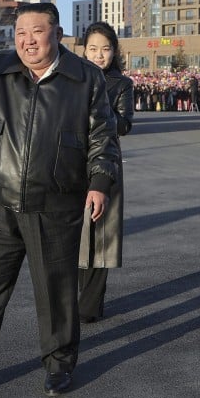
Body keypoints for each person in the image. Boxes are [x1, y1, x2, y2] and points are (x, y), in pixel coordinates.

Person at [0, 3, 120, 398]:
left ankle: (59, 366)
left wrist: (99, 182)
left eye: (36, 31)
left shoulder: (86, 78)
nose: (27, 41)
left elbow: (103, 136)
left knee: (56, 292)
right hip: (1, 204)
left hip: (57, 202)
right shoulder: (0, 68)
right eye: (20, 33)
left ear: (57, 33)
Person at [77, 21, 134, 324]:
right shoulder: (70, 79)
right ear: (83, 50)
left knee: (100, 232)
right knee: (72, 231)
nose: (99, 55)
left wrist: (101, 113)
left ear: (114, 52)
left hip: (105, 160)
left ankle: (90, 303)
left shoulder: (121, 84)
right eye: (93, 49)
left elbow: (124, 125)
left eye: (106, 49)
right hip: (71, 159)